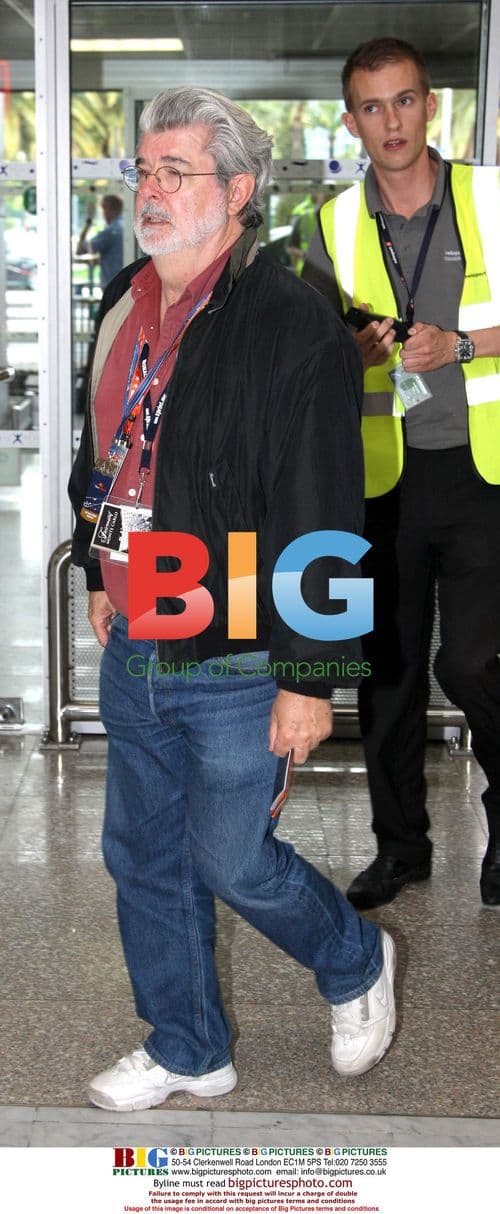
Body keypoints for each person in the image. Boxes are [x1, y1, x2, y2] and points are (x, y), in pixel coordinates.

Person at [69, 85, 396, 1113]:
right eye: (144, 170)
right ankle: (186, 1043)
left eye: (177, 171)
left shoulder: (290, 318)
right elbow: (108, 452)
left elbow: (324, 509)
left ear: (240, 188)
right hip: (139, 632)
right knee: (142, 856)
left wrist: (311, 677)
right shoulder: (128, 294)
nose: (152, 189)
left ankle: (351, 955)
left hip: (239, 643)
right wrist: (97, 570)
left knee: (232, 856)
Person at [302, 37, 500, 910]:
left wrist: (461, 345)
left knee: (473, 663)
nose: (392, 121)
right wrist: (347, 353)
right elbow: (307, 360)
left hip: (482, 472)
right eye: (373, 107)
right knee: (384, 675)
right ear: (352, 122)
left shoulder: (490, 199)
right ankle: (402, 849)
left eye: (406, 101)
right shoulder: (334, 224)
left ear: (431, 107)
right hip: (381, 480)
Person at [77, 193, 124, 288]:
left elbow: (80, 249)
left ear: (109, 210)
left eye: (103, 210)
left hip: (111, 285)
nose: (102, 214)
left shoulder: (110, 232)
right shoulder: (126, 227)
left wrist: (89, 220)